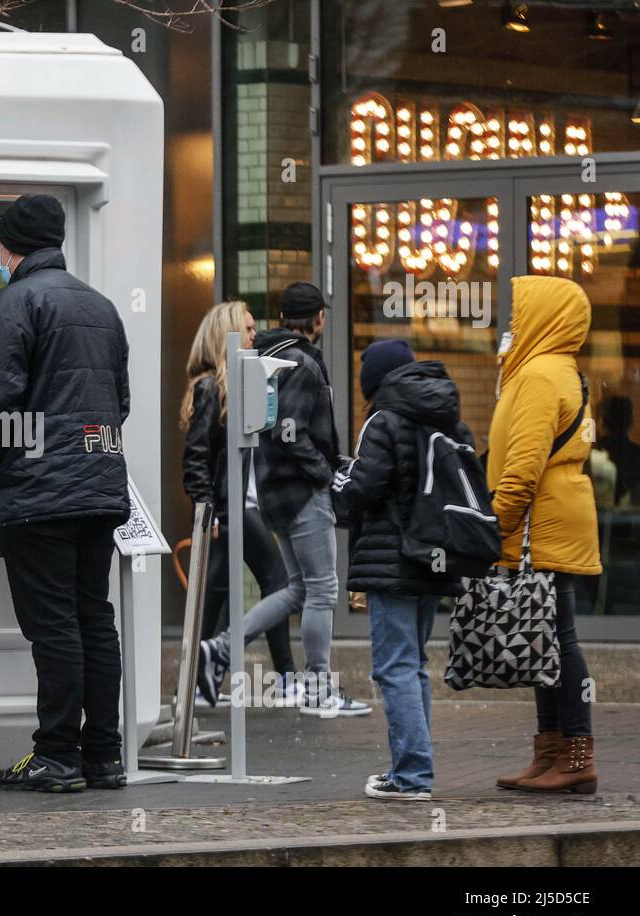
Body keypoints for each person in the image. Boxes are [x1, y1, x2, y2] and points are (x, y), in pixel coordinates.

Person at [0, 194, 131, 792]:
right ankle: (103, 755)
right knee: (95, 617)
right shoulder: (102, 306)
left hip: (39, 496)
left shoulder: (13, 302)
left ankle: (57, 754)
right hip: (101, 485)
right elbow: (121, 403)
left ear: (9, 247)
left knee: (55, 624)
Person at [197, 282, 370, 716]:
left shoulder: (267, 357)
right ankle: (317, 687)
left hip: (272, 489)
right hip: (299, 491)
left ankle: (220, 647)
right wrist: (325, 474)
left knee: (297, 588)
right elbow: (289, 431)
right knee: (324, 589)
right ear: (318, 319)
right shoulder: (302, 362)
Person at [332, 341, 471, 800]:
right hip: (433, 556)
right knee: (412, 666)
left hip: (390, 560)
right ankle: (411, 769)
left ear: (373, 382)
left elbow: (365, 487)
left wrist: (340, 482)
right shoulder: (447, 417)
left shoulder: (383, 420)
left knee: (395, 667)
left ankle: (411, 776)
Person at [489, 275, 601, 795]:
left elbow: (524, 467)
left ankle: (575, 754)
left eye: (520, 314)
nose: (512, 324)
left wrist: (496, 525)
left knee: (558, 638)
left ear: (544, 318)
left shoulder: (538, 376)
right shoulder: (557, 371)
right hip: (554, 521)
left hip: (542, 525)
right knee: (546, 636)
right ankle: (552, 752)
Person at [180, 301, 296, 700]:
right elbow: (196, 458)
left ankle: (197, 681)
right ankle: (285, 679)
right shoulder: (212, 388)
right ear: (226, 334)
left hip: (236, 507)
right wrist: (205, 509)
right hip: (230, 509)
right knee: (279, 581)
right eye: (247, 329)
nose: (255, 335)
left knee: (214, 592)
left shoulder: (234, 385)